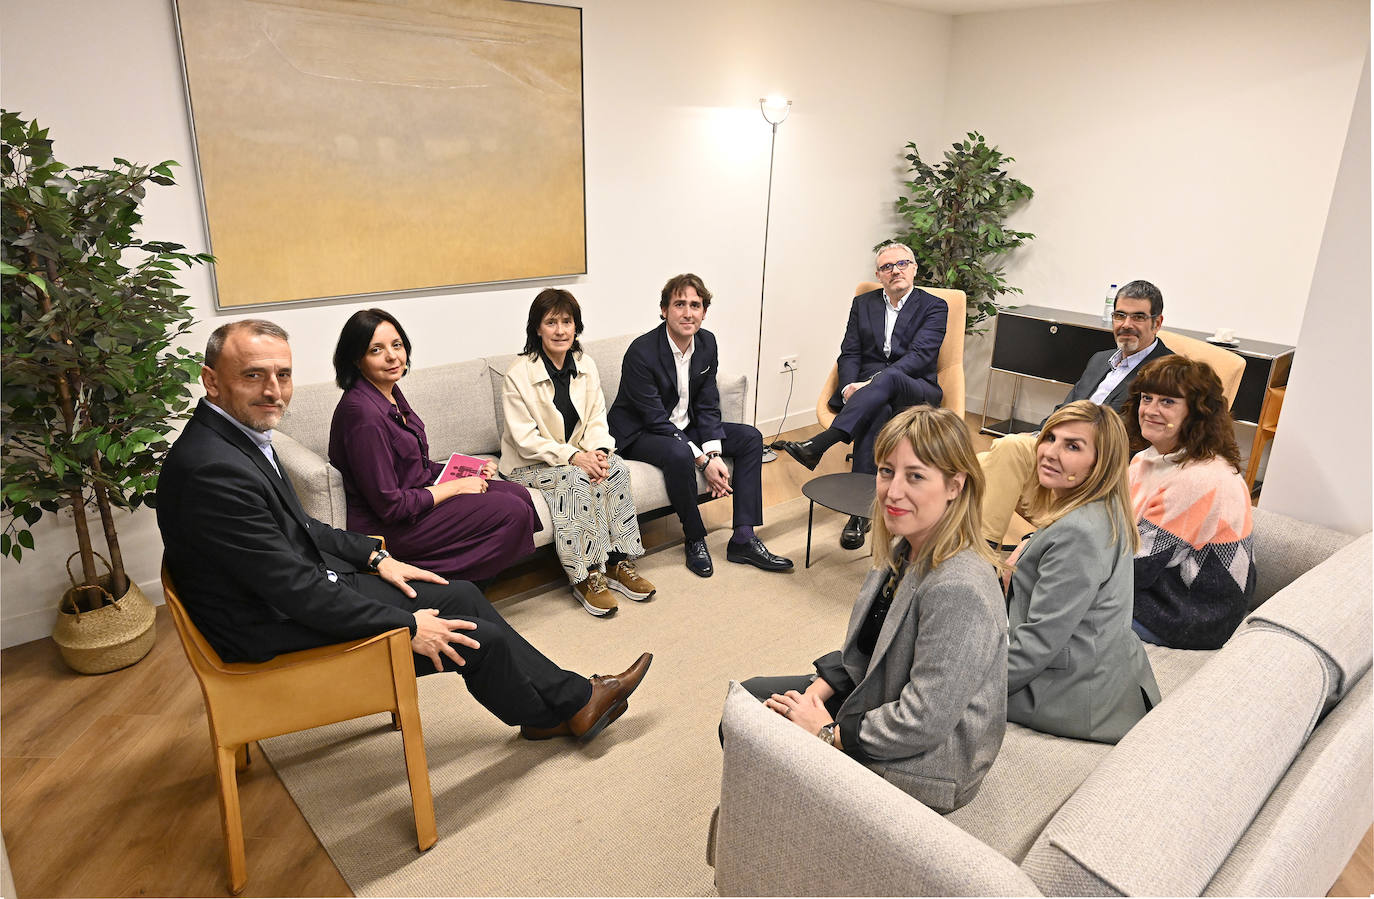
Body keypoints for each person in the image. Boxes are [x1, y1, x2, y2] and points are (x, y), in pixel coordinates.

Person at [157, 320, 652, 744]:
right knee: (475, 636)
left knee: (460, 594)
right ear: (211, 381)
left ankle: (566, 706)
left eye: (282, 375)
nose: (273, 390)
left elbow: (302, 527)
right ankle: (561, 709)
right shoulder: (212, 469)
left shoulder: (240, 441)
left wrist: (376, 558)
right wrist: (409, 627)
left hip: (298, 590)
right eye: (253, 375)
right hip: (272, 626)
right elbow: (296, 591)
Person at [739, 405, 1006, 814]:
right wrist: (817, 691)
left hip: (927, 761)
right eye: (886, 471)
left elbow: (923, 721)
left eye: (915, 476)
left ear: (955, 485)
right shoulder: (905, 545)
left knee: (755, 729)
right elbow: (870, 648)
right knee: (747, 701)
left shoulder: (960, 587)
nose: (892, 491)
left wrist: (826, 733)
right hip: (883, 696)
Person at [327, 308, 539, 582]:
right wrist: (457, 487)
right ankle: (447, 586)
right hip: (393, 526)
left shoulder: (389, 392)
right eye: (376, 350)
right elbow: (391, 506)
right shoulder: (362, 414)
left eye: (397, 345)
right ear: (357, 359)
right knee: (512, 511)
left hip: (417, 500)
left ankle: (468, 582)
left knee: (519, 494)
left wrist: (470, 469)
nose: (392, 356)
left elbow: (414, 465)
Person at [608, 273, 793, 578]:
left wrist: (714, 452)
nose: (688, 313)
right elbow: (655, 419)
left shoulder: (707, 343)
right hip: (641, 432)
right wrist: (703, 461)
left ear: (704, 312)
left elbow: (707, 402)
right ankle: (694, 538)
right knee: (679, 453)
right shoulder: (642, 352)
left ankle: (743, 538)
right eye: (679, 304)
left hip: (684, 426)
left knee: (751, 438)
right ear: (664, 310)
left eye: (695, 305)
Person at [1004, 400, 1160, 743]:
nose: (1050, 452)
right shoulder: (1103, 508)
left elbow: (1038, 644)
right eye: (1050, 438)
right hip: (1098, 673)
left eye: (1072, 446)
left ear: (1099, 463)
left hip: (1065, 694)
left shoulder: (1078, 533)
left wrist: (971, 686)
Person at [775, 242, 948, 551]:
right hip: (870, 393)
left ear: (914, 268)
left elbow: (921, 356)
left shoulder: (935, 306)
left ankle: (823, 442)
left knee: (890, 377)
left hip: (915, 387)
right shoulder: (864, 303)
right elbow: (850, 352)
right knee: (876, 411)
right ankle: (861, 513)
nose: (895, 270)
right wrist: (847, 387)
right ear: (878, 275)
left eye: (902, 264)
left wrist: (870, 383)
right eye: (887, 267)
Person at [978, 280, 1173, 547]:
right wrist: (1040, 436)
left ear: (1157, 322)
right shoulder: (1100, 359)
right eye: (1120, 315)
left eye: (1138, 317)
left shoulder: (1164, 372)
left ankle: (984, 548)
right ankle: (980, 545)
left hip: (1097, 465)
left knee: (1006, 449)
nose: (1126, 324)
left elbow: (1145, 441)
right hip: (1061, 448)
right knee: (983, 462)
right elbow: (1065, 410)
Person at [499, 289, 655, 617]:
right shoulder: (518, 374)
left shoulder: (586, 365)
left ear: (576, 326)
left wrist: (598, 453)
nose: (560, 330)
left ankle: (618, 563)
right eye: (551, 322)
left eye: (567, 322)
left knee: (616, 468)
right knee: (573, 479)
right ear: (537, 328)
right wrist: (573, 457)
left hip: (577, 455)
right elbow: (525, 439)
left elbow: (597, 417)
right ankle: (585, 576)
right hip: (529, 464)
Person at [1122, 356, 1255, 649]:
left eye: (1168, 402)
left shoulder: (1198, 479)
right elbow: (1113, 526)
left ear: (1197, 412)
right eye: (1147, 398)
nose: (1150, 410)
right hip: (1159, 587)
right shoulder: (1145, 460)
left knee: (1059, 594)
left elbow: (1134, 569)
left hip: (1190, 616)